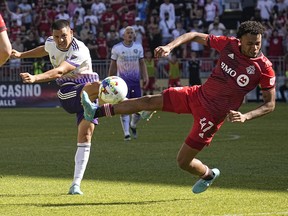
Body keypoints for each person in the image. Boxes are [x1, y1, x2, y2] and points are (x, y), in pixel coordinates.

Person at [81, 21, 276, 194]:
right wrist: (169, 46)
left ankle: (208, 175)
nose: (255, 48)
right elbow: (193, 35)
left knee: (183, 162)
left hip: (212, 116)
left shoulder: (264, 68)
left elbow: (270, 104)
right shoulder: (229, 44)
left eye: (258, 43)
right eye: (250, 43)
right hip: (197, 94)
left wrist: (246, 116)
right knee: (148, 100)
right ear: (240, 40)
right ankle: (95, 111)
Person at [10, 19, 102, 195]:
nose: (60, 40)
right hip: (69, 91)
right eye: (56, 36)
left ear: (72, 33)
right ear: (52, 35)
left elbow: (60, 70)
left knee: (86, 136)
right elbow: (43, 50)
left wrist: (36, 77)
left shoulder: (79, 49)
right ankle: (125, 104)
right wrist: (22, 55)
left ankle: (75, 185)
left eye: (64, 36)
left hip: (89, 93)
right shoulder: (51, 42)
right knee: (100, 86)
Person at [108, 26, 148, 141]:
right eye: (128, 32)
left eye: (132, 33)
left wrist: (145, 77)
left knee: (138, 108)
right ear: (123, 35)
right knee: (124, 107)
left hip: (135, 82)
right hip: (122, 83)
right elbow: (113, 65)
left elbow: (142, 63)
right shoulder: (117, 48)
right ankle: (126, 133)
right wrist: (110, 79)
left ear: (134, 35)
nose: (130, 34)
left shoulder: (138, 47)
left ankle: (133, 125)